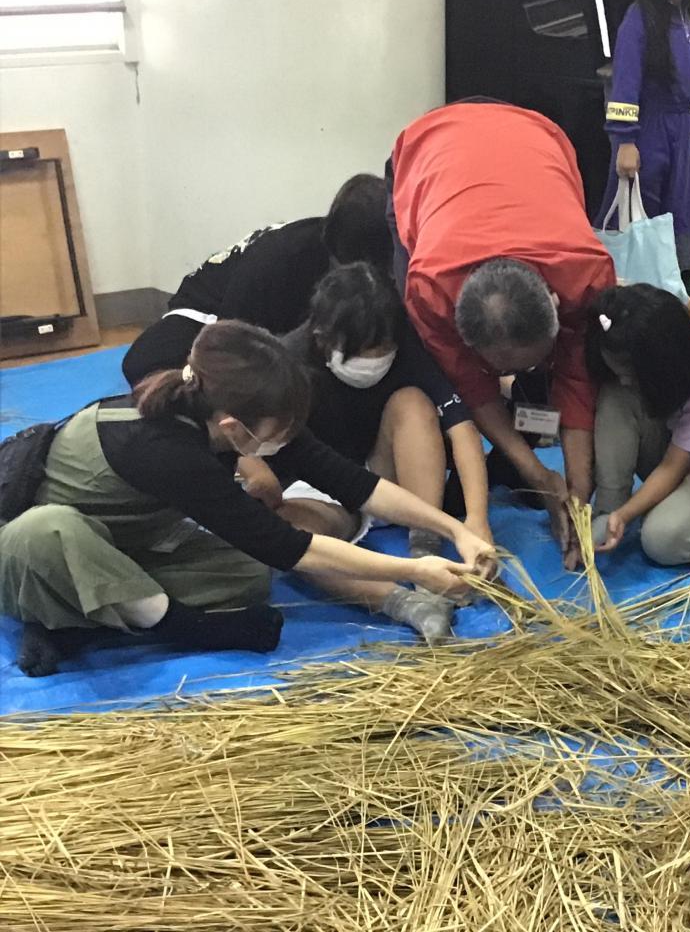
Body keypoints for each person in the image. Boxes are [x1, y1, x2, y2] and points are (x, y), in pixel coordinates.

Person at [1, 322, 496, 678]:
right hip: (38, 553)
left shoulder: (228, 418)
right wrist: (413, 570)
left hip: (125, 542)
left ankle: (84, 618)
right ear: (234, 428)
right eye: (278, 429)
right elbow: (291, 547)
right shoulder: (167, 450)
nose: (286, 438)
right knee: (48, 531)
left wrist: (455, 529)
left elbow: (353, 483)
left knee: (246, 574)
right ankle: (175, 625)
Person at [387, 102, 617, 570]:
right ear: (464, 332)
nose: (519, 372)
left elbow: (577, 379)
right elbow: (471, 388)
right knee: (435, 374)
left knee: (565, 381)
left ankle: (525, 443)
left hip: (537, 137)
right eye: (501, 368)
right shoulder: (430, 288)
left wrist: (578, 491)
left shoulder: (586, 274)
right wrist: (539, 476)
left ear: (556, 308)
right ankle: (494, 462)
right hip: (428, 147)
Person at [270, 263, 491, 560]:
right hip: (321, 488)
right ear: (322, 338)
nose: (374, 359)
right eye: (362, 352)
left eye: (383, 349)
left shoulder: (405, 341)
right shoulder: (287, 365)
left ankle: (426, 543)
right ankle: (406, 585)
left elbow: (462, 428)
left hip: (384, 475)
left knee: (412, 402)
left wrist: (477, 519)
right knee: (295, 539)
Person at [121, 174, 390, 386]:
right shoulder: (277, 259)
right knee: (148, 367)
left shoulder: (387, 261)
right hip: (211, 311)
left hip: (285, 327)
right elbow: (231, 338)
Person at [587, 284, 690, 566]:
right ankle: (610, 504)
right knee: (615, 395)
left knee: (662, 542)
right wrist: (610, 510)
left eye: (630, 374)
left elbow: (671, 467)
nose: (625, 380)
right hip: (668, 445)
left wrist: (626, 515)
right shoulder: (642, 361)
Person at [603, 0, 690, 298]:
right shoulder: (639, 19)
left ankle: (675, 270)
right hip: (650, 129)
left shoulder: (687, 17)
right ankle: (636, 276)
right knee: (644, 201)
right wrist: (625, 140)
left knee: (680, 202)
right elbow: (624, 83)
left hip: (680, 128)